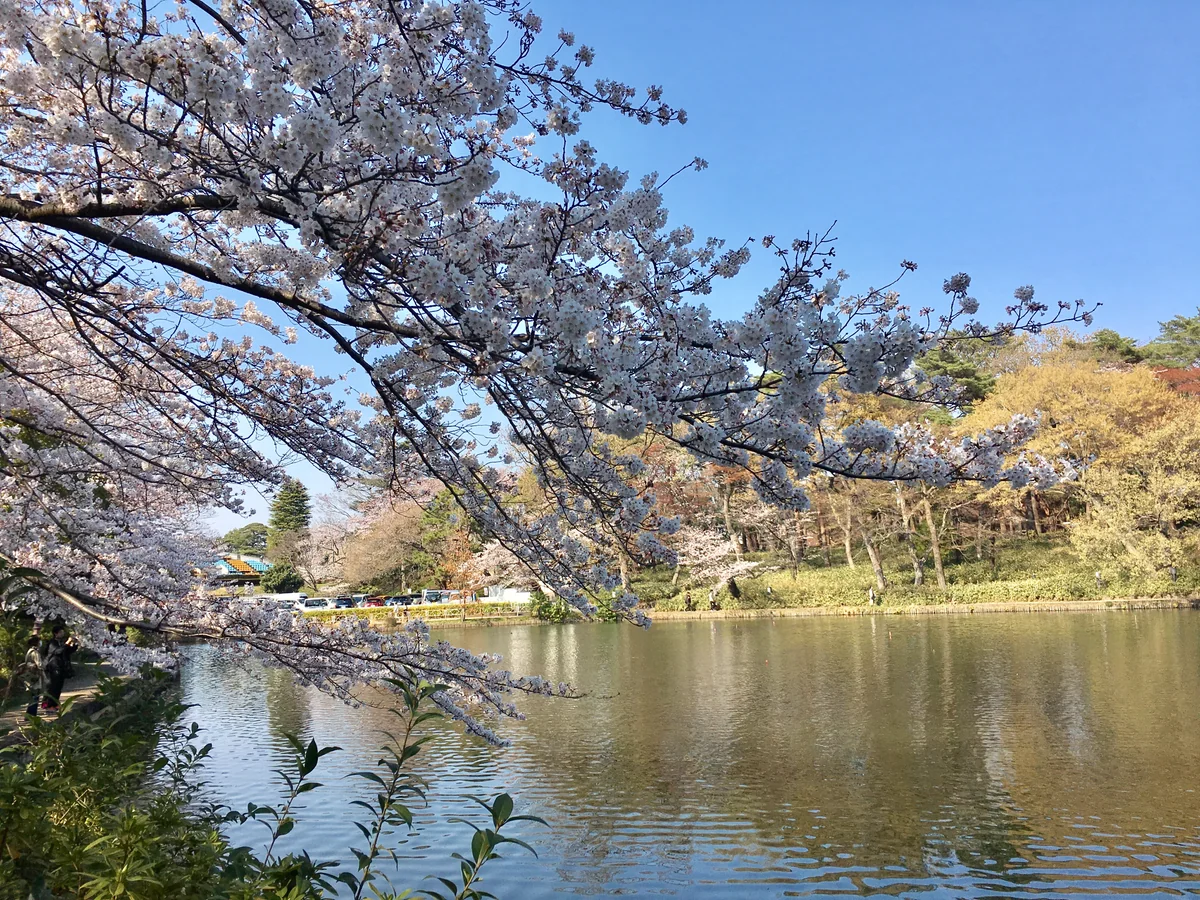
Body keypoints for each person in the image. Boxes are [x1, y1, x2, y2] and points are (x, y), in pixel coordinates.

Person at [41, 625, 77, 712]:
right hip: (53, 666)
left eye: (62, 632)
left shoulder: (60, 642)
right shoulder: (52, 643)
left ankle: (55, 704)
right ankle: (48, 705)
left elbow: (68, 651)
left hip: (60, 667)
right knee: (53, 687)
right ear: (55, 634)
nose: (62, 633)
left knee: (59, 687)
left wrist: (75, 644)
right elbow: (58, 651)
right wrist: (67, 642)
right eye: (60, 632)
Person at [21, 636, 42, 716]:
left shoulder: (29, 651)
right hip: (35, 677)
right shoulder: (35, 652)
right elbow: (39, 665)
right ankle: (32, 715)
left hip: (29, 676)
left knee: (32, 696)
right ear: (36, 642)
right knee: (35, 696)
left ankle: (29, 714)